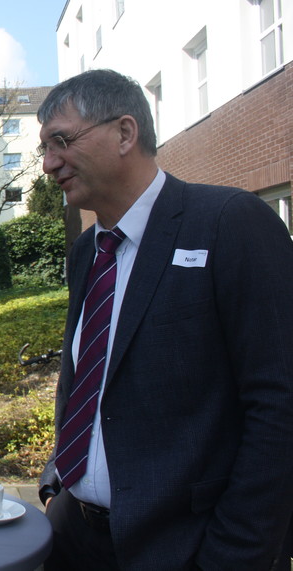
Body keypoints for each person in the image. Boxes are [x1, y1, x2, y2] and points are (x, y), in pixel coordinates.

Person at [36, 69, 293, 570]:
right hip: (74, 540)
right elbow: (90, 382)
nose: (48, 164)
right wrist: (55, 484)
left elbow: (279, 406)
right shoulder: (87, 250)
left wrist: (234, 554)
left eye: (60, 141)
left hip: (186, 550)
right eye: (45, 148)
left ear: (125, 133)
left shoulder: (229, 223)